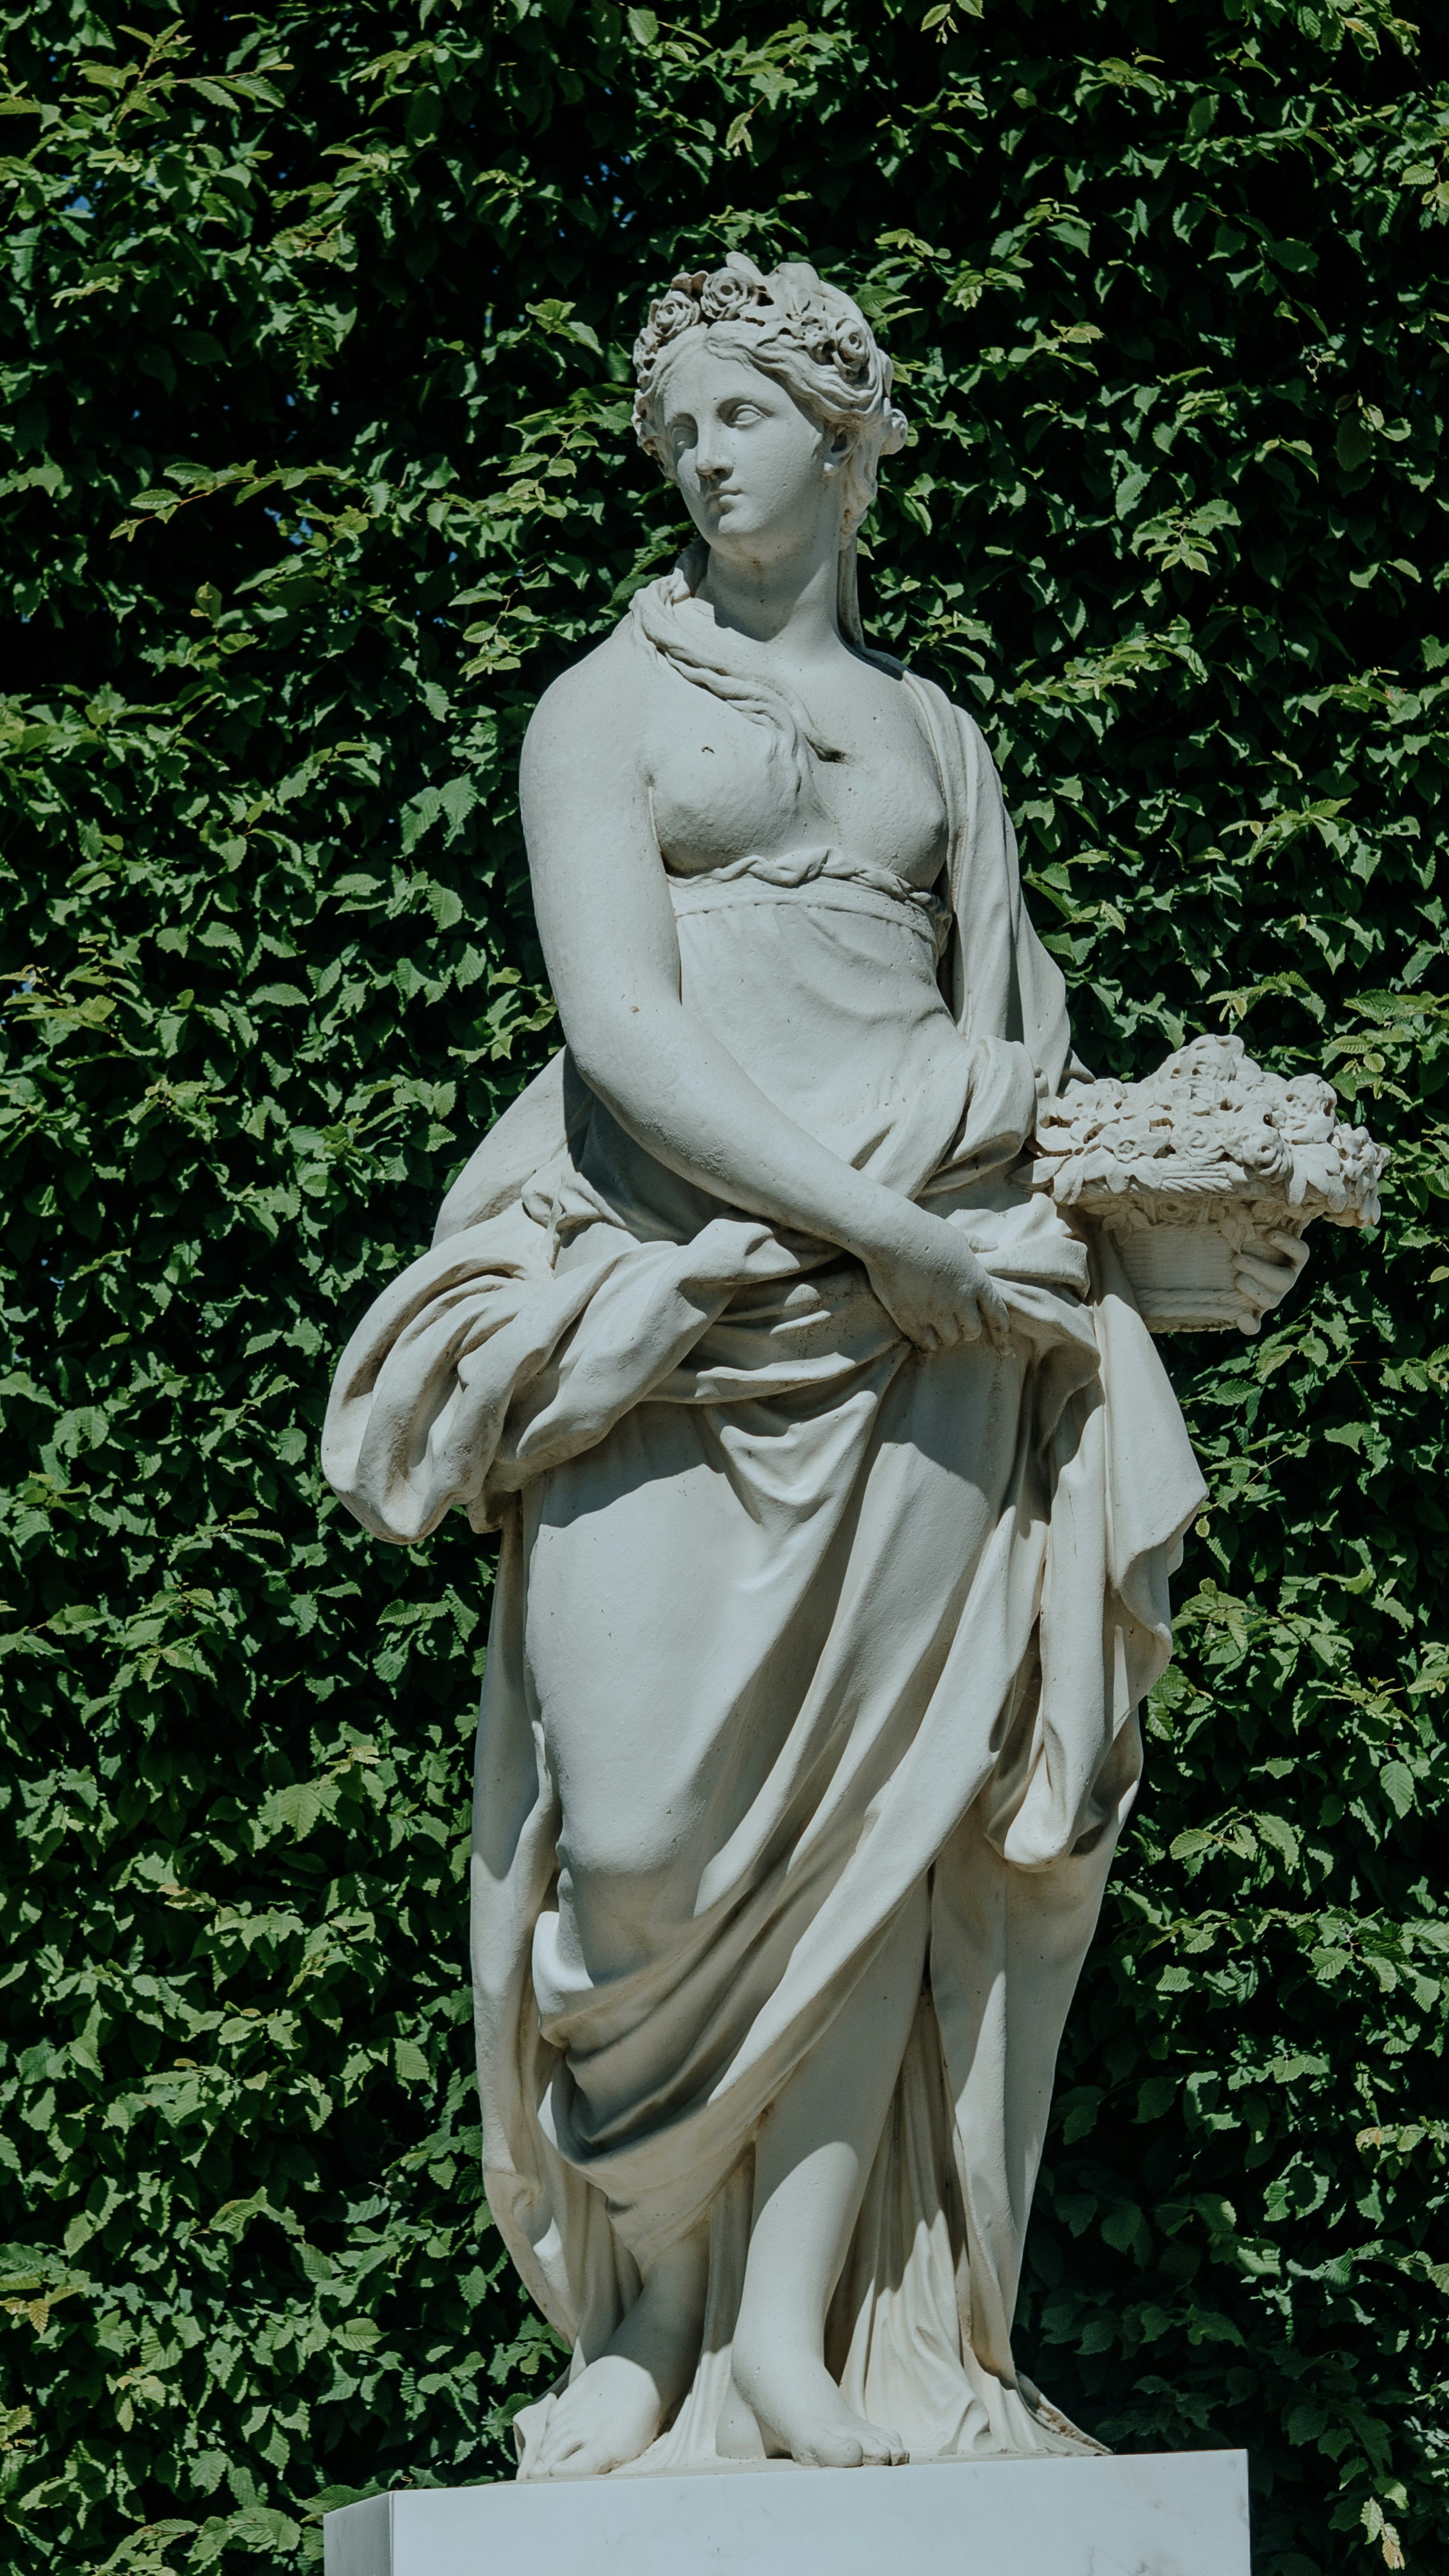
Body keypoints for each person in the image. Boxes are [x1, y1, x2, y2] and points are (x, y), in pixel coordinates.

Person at [323, 253, 1213, 2479]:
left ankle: (796, 2341)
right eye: (679, 427)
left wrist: (1099, 1197)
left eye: (738, 414)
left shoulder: (941, 737)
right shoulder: (598, 711)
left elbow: (1013, 1042)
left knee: (870, 1833)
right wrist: (892, 1226)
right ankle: (634, 2325)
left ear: (843, 434)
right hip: (675, 1292)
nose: (701, 454)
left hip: (921, 1343)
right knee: (634, 1836)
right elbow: (620, 1025)